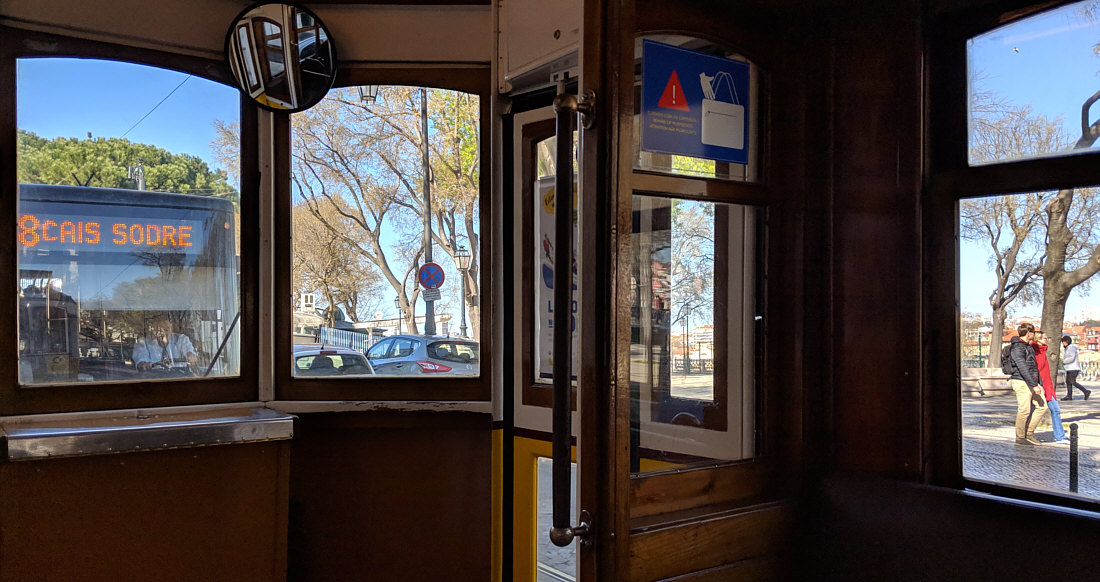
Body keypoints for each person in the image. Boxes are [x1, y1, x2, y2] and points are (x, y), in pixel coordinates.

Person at [1007, 322, 1047, 445]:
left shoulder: (1028, 346)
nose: (1034, 334)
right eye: (1033, 332)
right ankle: (1020, 437)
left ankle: (1029, 433)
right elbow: (1023, 367)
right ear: (1029, 333)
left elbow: (1033, 367)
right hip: (1020, 381)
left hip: (1031, 381)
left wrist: (1039, 383)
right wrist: (1034, 385)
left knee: (1042, 406)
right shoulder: (1017, 347)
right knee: (1024, 410)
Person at [1031, 332, 1067, 444]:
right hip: (1040, 386)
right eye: (1045, 338)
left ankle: (1060, 436)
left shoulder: (1043, 352)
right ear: (1038, 339)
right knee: (1032, 410)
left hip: (1048, 387)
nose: (1047, 339)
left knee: (1055, 409)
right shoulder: (1035, 353)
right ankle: (1026, 433)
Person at [132, 313, 198, 373]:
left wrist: (190, 355)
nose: (164, 334)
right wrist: (144, 364)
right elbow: (141, 362)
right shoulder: (143, 344)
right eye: (159, 330)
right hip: (155, 379)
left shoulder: (181, 339)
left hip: (179, 377)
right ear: (153, 330)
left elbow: (189, 352)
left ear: (172, 328)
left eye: (166, 329)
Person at [1060, 335, 1090, 401]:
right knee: (1068, 382)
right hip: (1069, 368)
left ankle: (1085, 391)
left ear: (1067, 341)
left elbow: (1072, 357)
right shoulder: (1068, 348)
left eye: (1063, 342)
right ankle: (1069, 396)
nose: (1063, 344)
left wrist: (1064, 361)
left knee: (1072, 381)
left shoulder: (1071, 348)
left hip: (1073, 368)